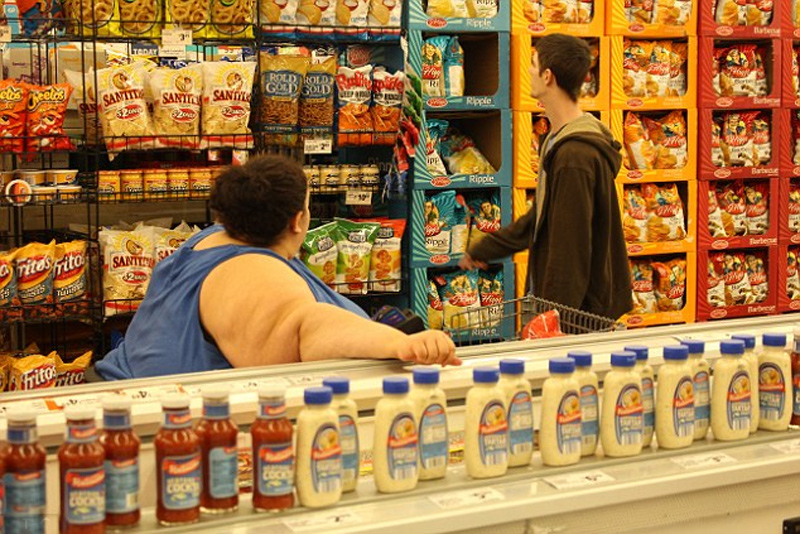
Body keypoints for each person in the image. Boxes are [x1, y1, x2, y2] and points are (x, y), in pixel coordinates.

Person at [96, 156, 459, 380]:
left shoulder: (210, 239)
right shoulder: (250, 270)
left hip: (132, 399)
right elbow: (306, 329)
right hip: (167, 430)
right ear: (298, 221)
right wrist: (401, 344)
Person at [460, 34, 632, 319]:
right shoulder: (557, 140)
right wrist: (486, 249)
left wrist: (553, 321)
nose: (528, 70)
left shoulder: (574, 156)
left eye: (533, 64)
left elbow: (571, 250)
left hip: (579, 317)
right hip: (572, 309)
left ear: (548, 76)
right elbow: (541, 219)